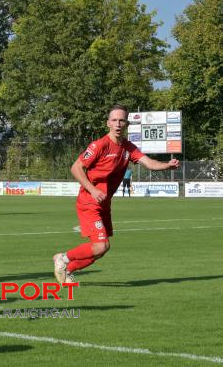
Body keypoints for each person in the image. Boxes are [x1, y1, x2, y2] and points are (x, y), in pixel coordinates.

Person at [53, 104, 180, 284]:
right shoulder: (99, 145)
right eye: (114, 120)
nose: (118, 124)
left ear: (127, 124)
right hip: (89, 201)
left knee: (101, 249)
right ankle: (62, 258)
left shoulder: (129, 148)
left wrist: (167, 165)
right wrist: (93, 189)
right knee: (100, 246)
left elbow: (149, 163)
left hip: (104, 204)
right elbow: (76, 167)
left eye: (121, 120)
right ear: (108, 123)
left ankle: (68, 270)